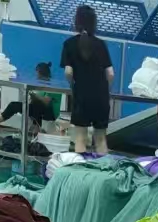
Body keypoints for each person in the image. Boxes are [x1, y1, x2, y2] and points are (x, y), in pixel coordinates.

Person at [60, 5, 113, 154]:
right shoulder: (101, 44)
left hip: (82, 95)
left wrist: (73, 84)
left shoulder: (69, 44)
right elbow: (110, 74)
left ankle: (81, 168)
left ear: (76, 21)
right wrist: (105, 89)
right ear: (93, 23)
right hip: (101, 97)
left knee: (80, 139)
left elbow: (68, 72)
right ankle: (104, 167)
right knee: (101, 139)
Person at [0, 62, 59, 138]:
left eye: (37, 74)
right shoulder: (40, 85)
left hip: (50, 114)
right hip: (38, 111)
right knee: (14, 105)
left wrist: (34, 95)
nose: (36, 76)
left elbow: (46, 102)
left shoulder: (52, 86)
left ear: (41, 73)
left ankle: (36, 128)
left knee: (37, 103)